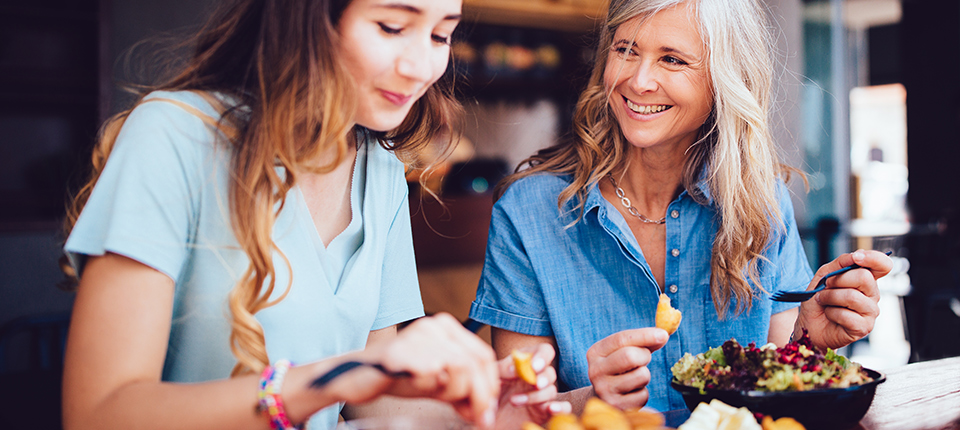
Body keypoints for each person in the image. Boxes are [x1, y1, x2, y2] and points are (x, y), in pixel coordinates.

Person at [59, 1, 568, 429]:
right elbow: (99, 412)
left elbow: (371, 405)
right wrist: (339, 374)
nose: (420, 66)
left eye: (440, 35)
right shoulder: (173, 137)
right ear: (307, 17)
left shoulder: (381, 172)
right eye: (391, 27)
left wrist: (471, 409)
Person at [468, 0, 893, 414]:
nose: (638, 81)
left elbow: (774, 389)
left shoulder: (760, 202)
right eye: (625, 50)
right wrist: (590, 401)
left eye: (672, 59)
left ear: (725, 79)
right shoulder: (527, 213)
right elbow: (513, 413)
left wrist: (809, 340)